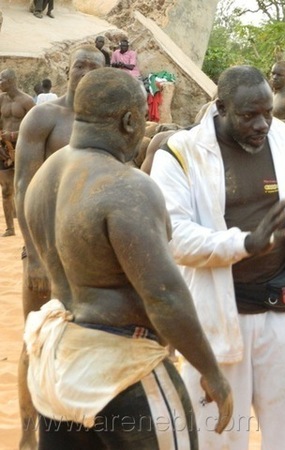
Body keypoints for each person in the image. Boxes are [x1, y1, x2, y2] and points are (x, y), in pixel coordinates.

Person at [23, 67, 232, 449]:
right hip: (120, 370)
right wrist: (212, 372)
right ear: (130, 120)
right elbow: (164, 297)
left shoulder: (46, 175)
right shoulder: (127, 187)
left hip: (57, 365)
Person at [150, 64, 285, 449]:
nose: (262, 125)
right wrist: (245, 244)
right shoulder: (179, 154)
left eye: (267, 114)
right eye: (249, 116)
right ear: (221, 107)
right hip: (219, 326)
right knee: (214, 440)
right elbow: (173, 238)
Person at [14, 45, 105, 450]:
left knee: (87, 342)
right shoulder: (44, 118)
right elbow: (22, 187)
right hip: (46, 252)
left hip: (89, 258)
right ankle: (28, 434)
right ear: (67, 70)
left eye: (92, 67)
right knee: (35, 341)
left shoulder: (104, 122)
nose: (83, 71)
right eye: (78, 65)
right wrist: (34, 254)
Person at [0, 69, 35, 238]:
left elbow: (37, 128)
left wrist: (14, 136)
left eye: (2, 79)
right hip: (4, 149)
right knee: (6, 190)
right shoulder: (1, 99)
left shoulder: (27, 101)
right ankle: (9, 228)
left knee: (25, 188)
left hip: (23, 148)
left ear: (11, 81)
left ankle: (32, 228)